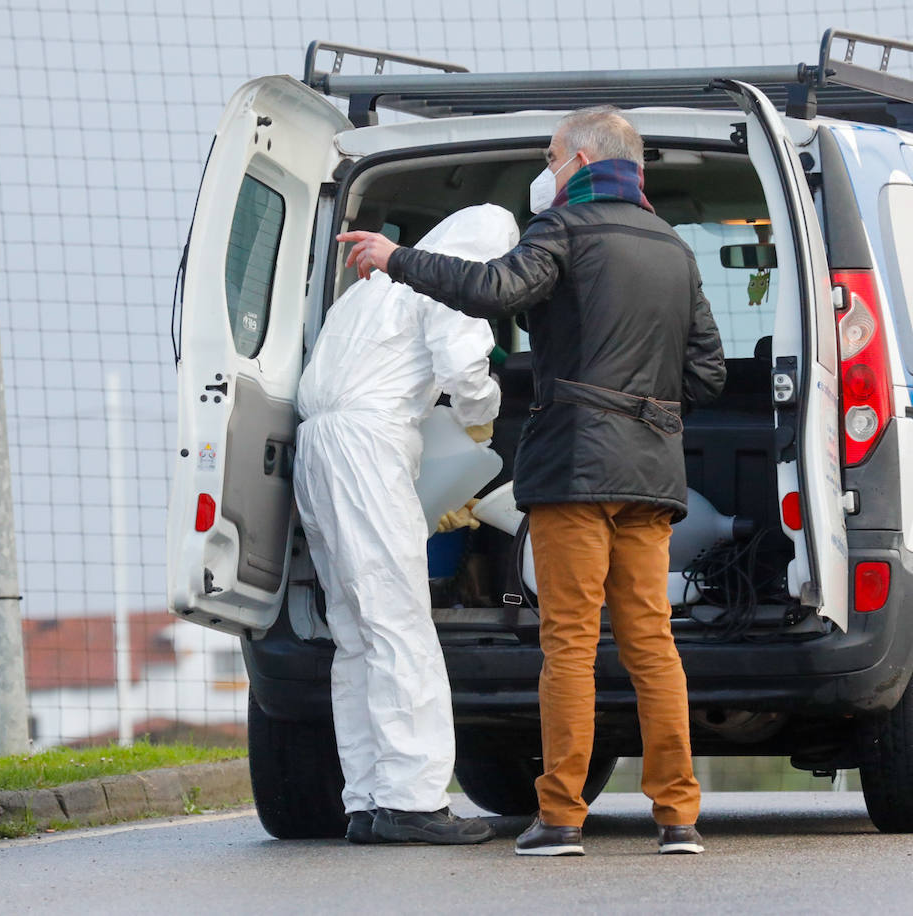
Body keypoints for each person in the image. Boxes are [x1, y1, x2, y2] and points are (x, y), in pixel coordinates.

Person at [338, 107, 728, 856]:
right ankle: (678, 815)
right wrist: (646, 399)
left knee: (572, 643)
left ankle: (560, 818)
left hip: (575, 470)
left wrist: (398, 258)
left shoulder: (566, 231)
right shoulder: (674, 249)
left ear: (581, 160)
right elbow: (707, 373)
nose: (546, 173)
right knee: (652, 642)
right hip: (651, 475)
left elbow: (495, 289)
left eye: (552, 158)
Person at [295, 204, 519, 845]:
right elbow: (464, 365)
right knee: (398, 619)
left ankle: (367, 797)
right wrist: (484, 412)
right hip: (369, 446)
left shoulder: (367, 293)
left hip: (321, 446)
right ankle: (413, 800)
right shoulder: (447, 278)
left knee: (355, 628)